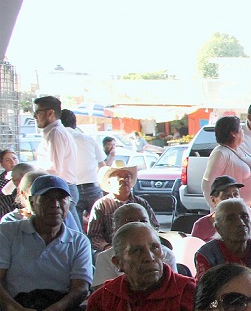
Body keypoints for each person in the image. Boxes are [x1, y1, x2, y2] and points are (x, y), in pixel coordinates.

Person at [83, 222, 203, 311]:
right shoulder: (102, 298)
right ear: (118, 263)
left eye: (154, 247)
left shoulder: (187, 292)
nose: (149, 257)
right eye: (137, 251)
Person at [0, 175, 92, 311]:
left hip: (60, 310)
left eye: (61, 198)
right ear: (32, 202)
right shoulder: (8, 233)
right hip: (14, 309)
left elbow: (80, 289)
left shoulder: (78, 241)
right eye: (46, 198)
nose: (55, 204)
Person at [92, 203, 178, 288]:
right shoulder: (105, 257)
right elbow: (104, 294)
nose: (149, 258)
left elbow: (172, 287)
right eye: (130, 222)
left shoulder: (167, 254)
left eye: (143, 221)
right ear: (116, 228)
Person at [194, 198, 251, 280]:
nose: (241, 223)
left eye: (244, 216)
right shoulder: (207, 255)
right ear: (218, 228)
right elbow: (205, 290)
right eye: (231, 219)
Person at [86, 164, 160, 253]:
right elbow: (94, 236)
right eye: (119, 177)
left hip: (143, 248)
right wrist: (107, 247)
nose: (124, 180)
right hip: (112, 249)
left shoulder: (141, 203)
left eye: (127, 177)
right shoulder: (102, 205)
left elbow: (154, 226)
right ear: (109, 182)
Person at [33, 96, 81, 226]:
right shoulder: (54, 132)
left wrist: (32, 176)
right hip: (62, 188)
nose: (34, 116)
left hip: (60, 189)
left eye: (37, 112)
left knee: (73, 238)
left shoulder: (55, 134)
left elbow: (54, 170)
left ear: (50, 113)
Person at [201, 116, 251, 212]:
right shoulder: (220, 153)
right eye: (240, 129)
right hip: (231, 212)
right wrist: (217, 209)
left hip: (248, 208)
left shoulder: (238, 149)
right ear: (233, 133)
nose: (243, 132)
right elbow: (207, 184)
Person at [190, 175, 251, 243]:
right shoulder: (201, 225)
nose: (232, 199)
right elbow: (192, 253)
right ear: (213, 200)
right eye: (227, 196)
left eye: (235, 194)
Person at [60, 109, 105, 221]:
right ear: (74, 123)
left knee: (76, 229)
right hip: (93, 187)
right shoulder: (88, 138)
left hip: (70, 188)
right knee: (101, 226)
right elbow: (102, 165)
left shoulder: (58, 140)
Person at [0, 151, 20, 215]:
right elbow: (4, 191)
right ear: (2, 164)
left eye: (14, 158)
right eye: (7, 160)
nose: (12, 162)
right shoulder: (2, 180)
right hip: (8, 214)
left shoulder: (27, 175)